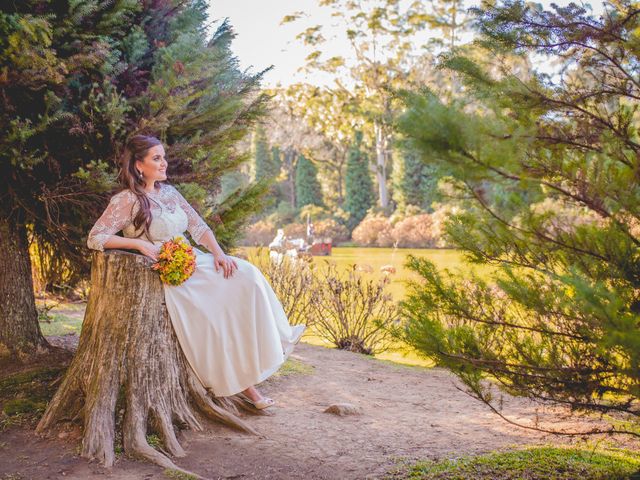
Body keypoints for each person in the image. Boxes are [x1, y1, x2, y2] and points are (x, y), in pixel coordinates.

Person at [87, 135, 306, 409]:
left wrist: (218, 253)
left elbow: (199, 228)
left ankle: (281, 336)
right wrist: (138, 244)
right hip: (171, 275)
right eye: (156, 158)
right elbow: (95, 237)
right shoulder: (127, 200)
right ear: (139, 165)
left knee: (247, 275)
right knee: (213, 319)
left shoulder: (170, 193)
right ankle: (247, 389)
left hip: (195, 260)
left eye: (163, 156)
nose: (164, 163)